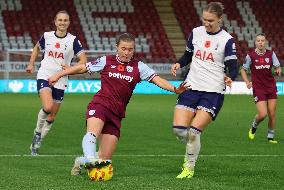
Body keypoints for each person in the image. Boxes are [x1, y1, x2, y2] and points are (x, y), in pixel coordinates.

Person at [48, 33, 186, 179]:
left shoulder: (139, 67)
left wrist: (175, 89)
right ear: (117, 48)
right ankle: (90, 158)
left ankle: (81, 161)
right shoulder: (106, 61)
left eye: (130, 49)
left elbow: (157, 79)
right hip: (100, 104)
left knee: (104, 160)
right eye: (124, 48)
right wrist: (60, 74)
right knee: (92, 134)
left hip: (117, 113)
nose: (127, 52)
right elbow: (82, 68)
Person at [170, 2, 238, 179]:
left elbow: (233, 66)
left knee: (193, 132)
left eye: (211, 20)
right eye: (204, 19)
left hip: (213, 91)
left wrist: (231, 77)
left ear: (220, 19)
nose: (206, 23)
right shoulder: (195, 32)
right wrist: (179, 62)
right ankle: (194, 144)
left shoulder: (227, 40)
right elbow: (187, 55)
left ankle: (189, 167)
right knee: (179, 130)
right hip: (191, 86)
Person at [26, 10, 87, 155]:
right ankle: (37, 133)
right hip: (45, 74)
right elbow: (36, 48)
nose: (62, 22)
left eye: (65, 20)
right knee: (47, 107)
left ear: (69, 23)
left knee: (52, 116)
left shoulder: (73, 40)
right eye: (60, 20)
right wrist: (31, 64)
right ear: (55, 21)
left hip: (61, 78)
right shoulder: (47, 36)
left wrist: (72, 68)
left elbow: (83, 60)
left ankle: (37, 143)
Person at [240, 33, 281, 144]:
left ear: (265, 42)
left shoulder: (271, 54)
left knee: (272, 113)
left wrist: (278, 69)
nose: (261, 42)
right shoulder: (251, 56)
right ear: (255, 42)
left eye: (262, 40)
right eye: (258, 41)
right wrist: (247, 82)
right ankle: (254, 126)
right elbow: (243, 70)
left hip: (271, 86)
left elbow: (277, 66)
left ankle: (270, 137)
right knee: (263, 114)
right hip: (258, 88)